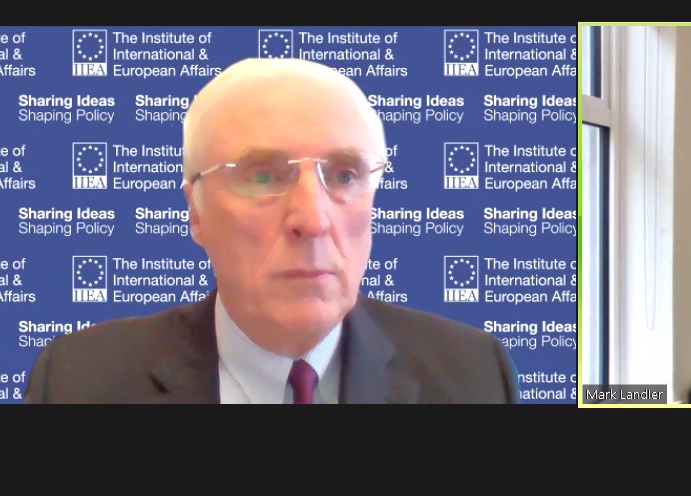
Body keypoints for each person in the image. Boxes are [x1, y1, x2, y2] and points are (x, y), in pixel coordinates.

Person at [24, 58, 519, 404]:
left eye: (344, 175)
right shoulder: (77, 383)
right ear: (196, 211)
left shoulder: (474, 376)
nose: (313, 220)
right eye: (263, 176)